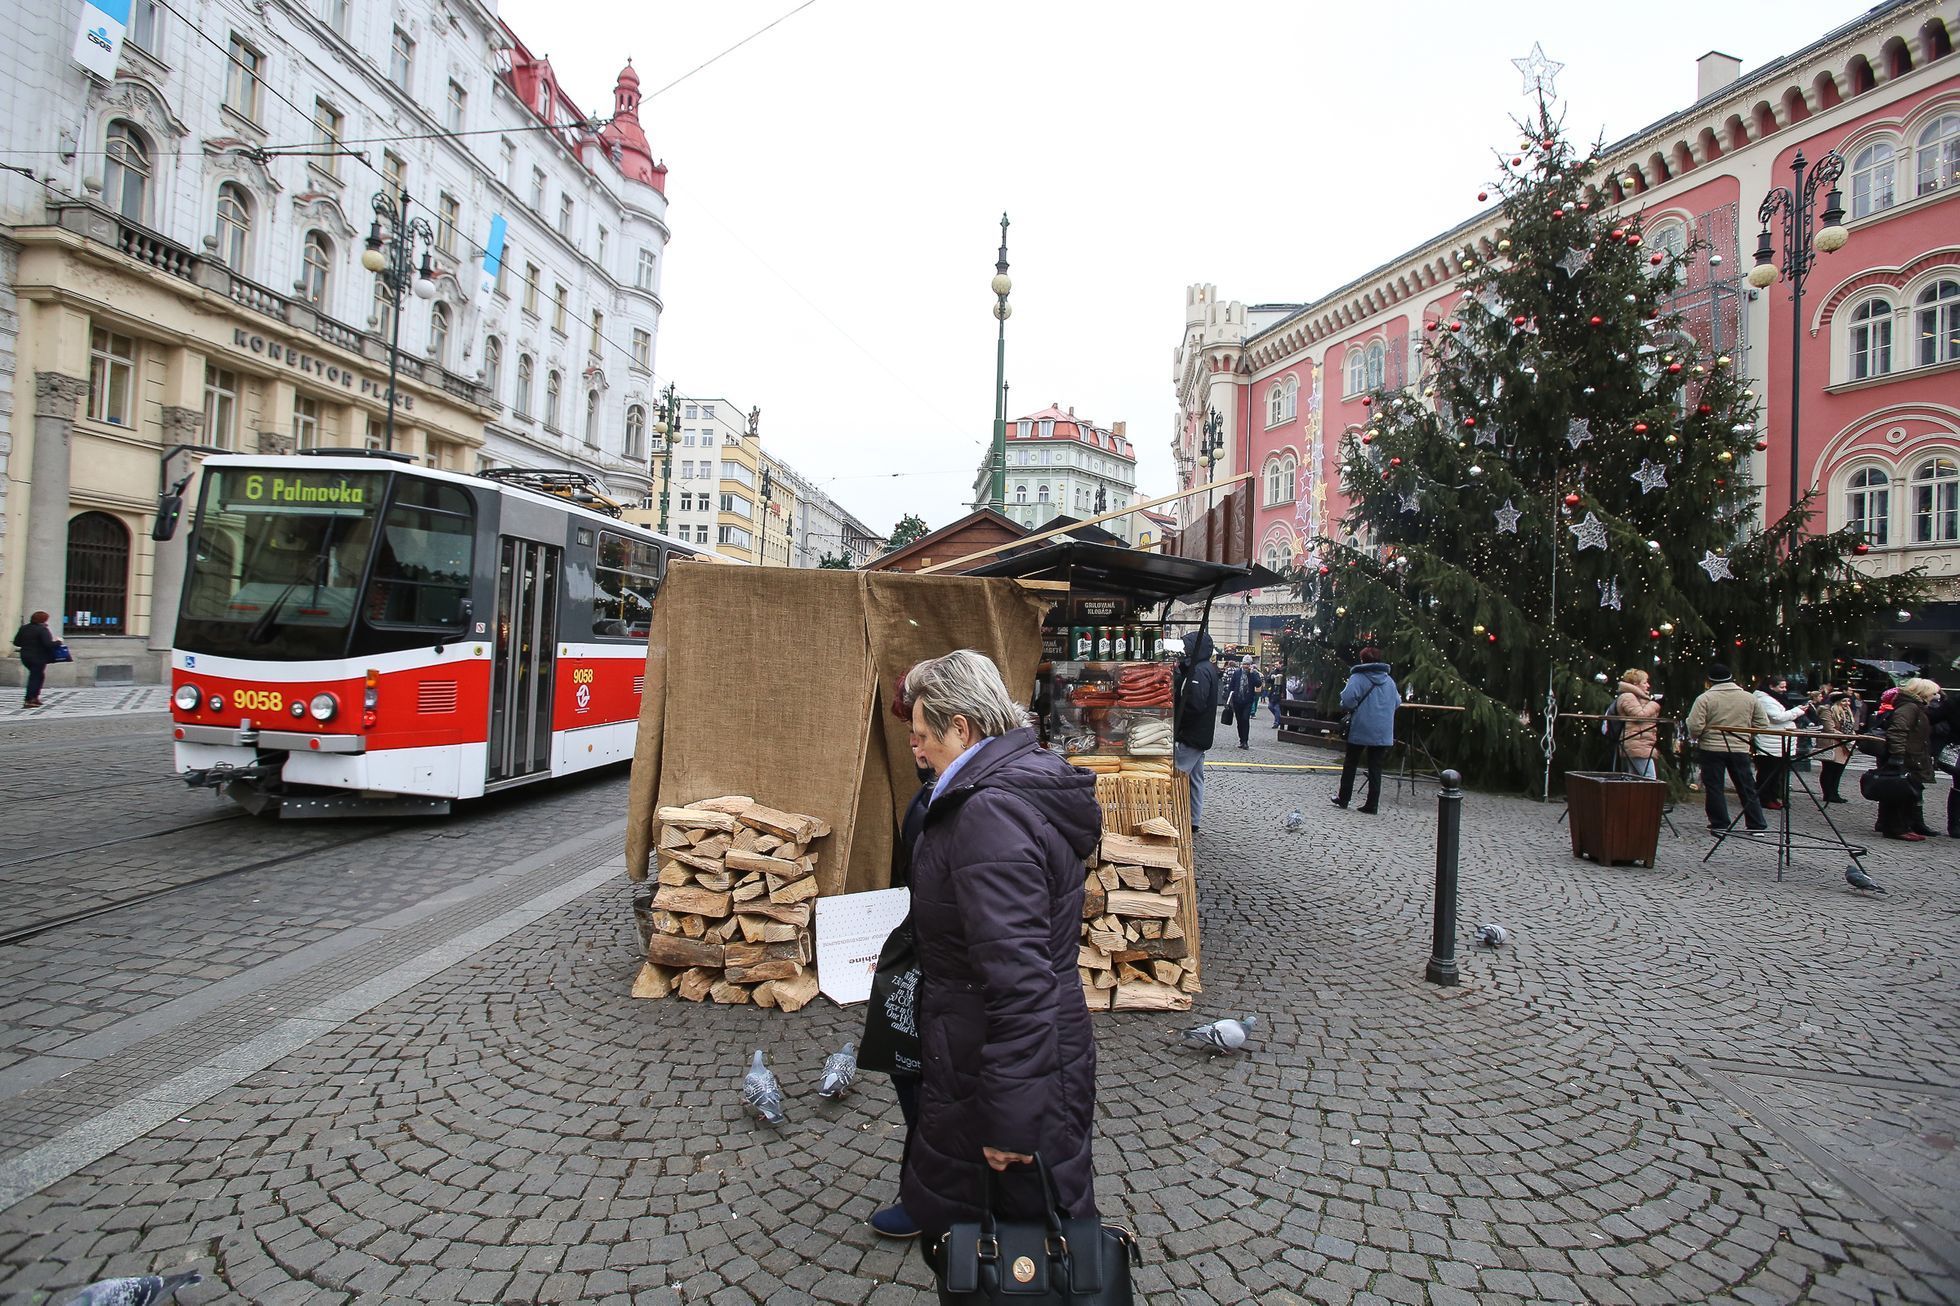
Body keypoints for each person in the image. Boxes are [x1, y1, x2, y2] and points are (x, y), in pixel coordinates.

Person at [897, 650, 1102, 1278]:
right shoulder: (1011, 784)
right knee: (1019, 1239)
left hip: (999, 1069)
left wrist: (1011, 1122)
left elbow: (1020, 983)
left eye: (924, 735)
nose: (917, 750)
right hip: (1003, 1060)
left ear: (962, 728)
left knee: (1018, 1256)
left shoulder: (989, 814)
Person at [864, 678, 937, 1240]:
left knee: (925, 1082)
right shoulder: (941, 785)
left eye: (919, 733)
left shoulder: (968, 797)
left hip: (944, 967)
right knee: (910, 1072)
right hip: (925, 953)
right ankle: (930, 1189)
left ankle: (930, 1199)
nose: (911, 744)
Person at [1685, 663, 1772, 834]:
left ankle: (1720, 823)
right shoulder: (1749, 698)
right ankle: (1756, 824)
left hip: (1711, 748)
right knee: (1746, 786)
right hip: (1739, 747)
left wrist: (1701, 735)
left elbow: (1695, 726)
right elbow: (1762, 723)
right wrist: (1746, 736)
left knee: (1714, 786)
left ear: (1710, 680)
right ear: (1732, 677)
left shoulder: (1705, 699)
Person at [1333, 647, 1398, 814]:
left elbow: (1347, 700)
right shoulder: (1389, 680)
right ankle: (1372, 804)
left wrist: (1351, 708)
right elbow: (1397, 702)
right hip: (1383, 729)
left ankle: (1344, 797)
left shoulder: (1357, 678)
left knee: (1351, 762)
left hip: (1361, 725)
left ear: (1362, 660)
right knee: (1376, 766)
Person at [1877, 678, 1940, 841]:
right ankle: (1896, 828)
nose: (1935, 696)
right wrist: (1898, 755)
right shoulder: (1909, 708)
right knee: (1900, 793)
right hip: (1907, 756)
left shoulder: (1914, 707)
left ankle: (1901, 826)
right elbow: (1898, 731)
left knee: (1905, 794)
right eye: (1933, 693)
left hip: (1912, 755)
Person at [1172, 631, 1221, 831]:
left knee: (1177, 775)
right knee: (1195, 778)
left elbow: (1194, 703)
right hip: (1199, 734)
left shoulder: (1200, 671)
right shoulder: (1204, 668)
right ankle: (1194, 819)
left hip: (1191, 734)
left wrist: (1179, 724)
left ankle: (1175, 816)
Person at [1750, 675, 1808, 809]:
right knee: (1768, 772)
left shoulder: (1772, 698)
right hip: (1770, 741)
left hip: (1776, 742)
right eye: (1781, 686)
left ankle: (1771, 797)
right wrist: (1797, 711)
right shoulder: (1764, 699)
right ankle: (1765, 798)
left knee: (1775, 773)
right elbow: (1777, 717)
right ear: (1771, 687)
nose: (1784, 689)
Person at [1612, 669, 1664, 779]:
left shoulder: (1638, 697)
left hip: (1639, 743)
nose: (1648, 685)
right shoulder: (1628, 697)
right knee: (1650, 777)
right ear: (1635, 684)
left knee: (1634, 778)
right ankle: (1648, 797)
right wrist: (1655, 704)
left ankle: (1630, 796)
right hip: (1636, 743)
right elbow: (1639, 716)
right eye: (1644, 682)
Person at [1817, 690, 1860, 804]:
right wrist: (1845, 736)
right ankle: (1828, 793)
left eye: (1848, 701)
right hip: (1832, 743)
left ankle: (1835, 793)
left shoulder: (1848, 713)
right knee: (1829, 769)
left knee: (1838, 770)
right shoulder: (1828, 711)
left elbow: (1851, 728)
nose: (1847, 703)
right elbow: (1829, 728)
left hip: (1843, 744)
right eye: (1844, 701)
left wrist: (1851, 737)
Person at [11, 611, 60, 709]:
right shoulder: (42, 629)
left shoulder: (24, 628)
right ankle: (30, 699)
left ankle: (34, 698)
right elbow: (48, 644)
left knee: (38, 676)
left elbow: (16, 642)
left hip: (25, 656)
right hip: (38, 657)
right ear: (43, 620)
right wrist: (58, 642)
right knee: (35, 677)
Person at [1225, 656, 1262, 749]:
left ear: (1250, 665)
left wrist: (1252, 673)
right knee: (1239, 721)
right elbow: (1232, 685)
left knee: (1245, 719)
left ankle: (1245, 741)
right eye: (1244, 664)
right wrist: (1229, 698)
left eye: (1247, 664)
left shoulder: (1253, 673)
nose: (1246, 666)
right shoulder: (1237, 672)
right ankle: (1241, 740)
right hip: (1237, 700)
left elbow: (1258, 683)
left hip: (1248, 701)